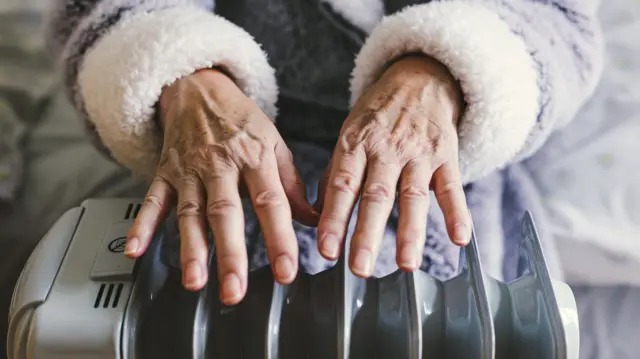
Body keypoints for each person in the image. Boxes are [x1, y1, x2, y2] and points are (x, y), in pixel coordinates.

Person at [46, 0, 603, 305]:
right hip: (208, 161)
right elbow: (97, 10)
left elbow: (560, 22)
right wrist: (184, 78)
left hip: (452, 180)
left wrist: (444, 72)